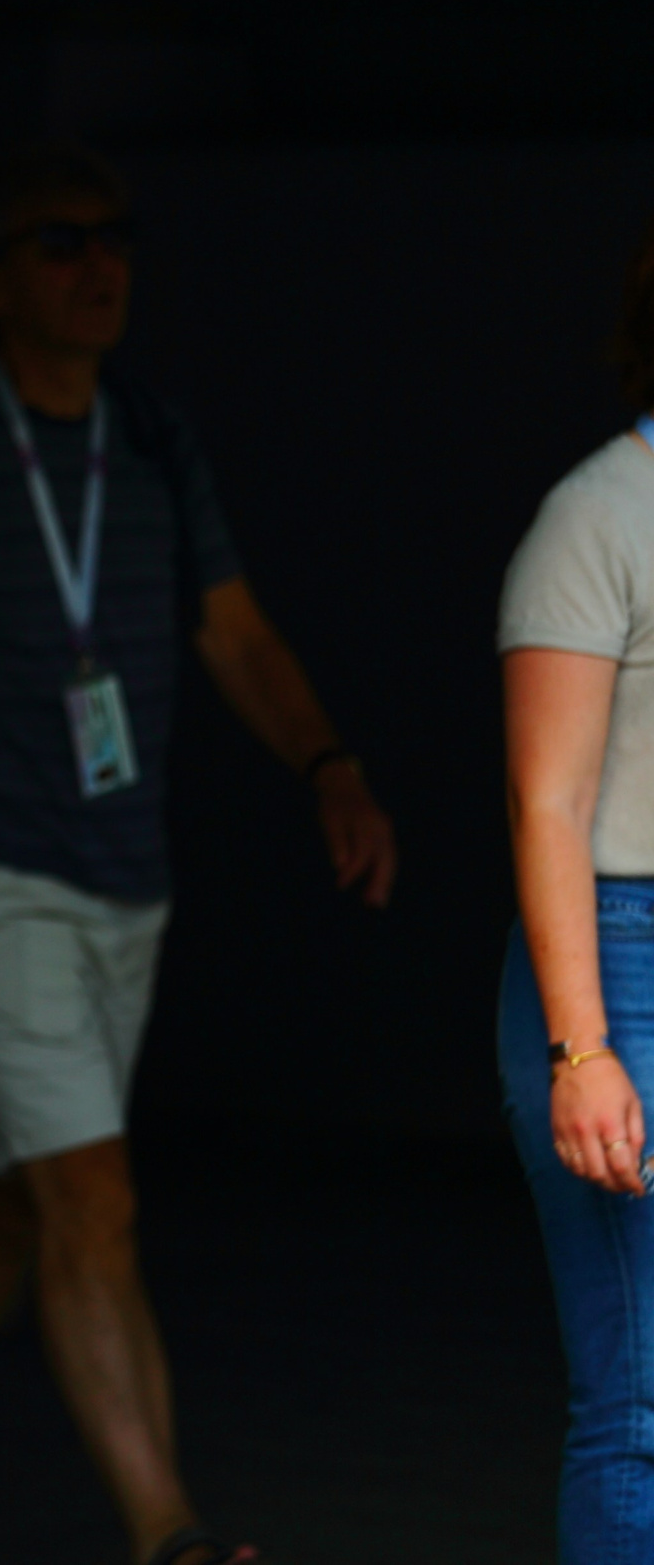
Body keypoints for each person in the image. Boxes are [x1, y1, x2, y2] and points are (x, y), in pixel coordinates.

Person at [0, 147, 398, 1565]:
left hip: (122, 873)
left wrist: (330, 764)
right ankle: (172, 1528)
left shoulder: (146, 431)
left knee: (17, 1193)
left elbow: (236, 632)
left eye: (113, 235)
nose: (97, 261)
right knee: (94, 1191)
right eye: (56, 239)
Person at [497, 222, 654, 1564]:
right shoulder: (597, 513)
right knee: (643, 1401)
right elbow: (546, 802)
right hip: (624, 958)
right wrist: (583, 1045)